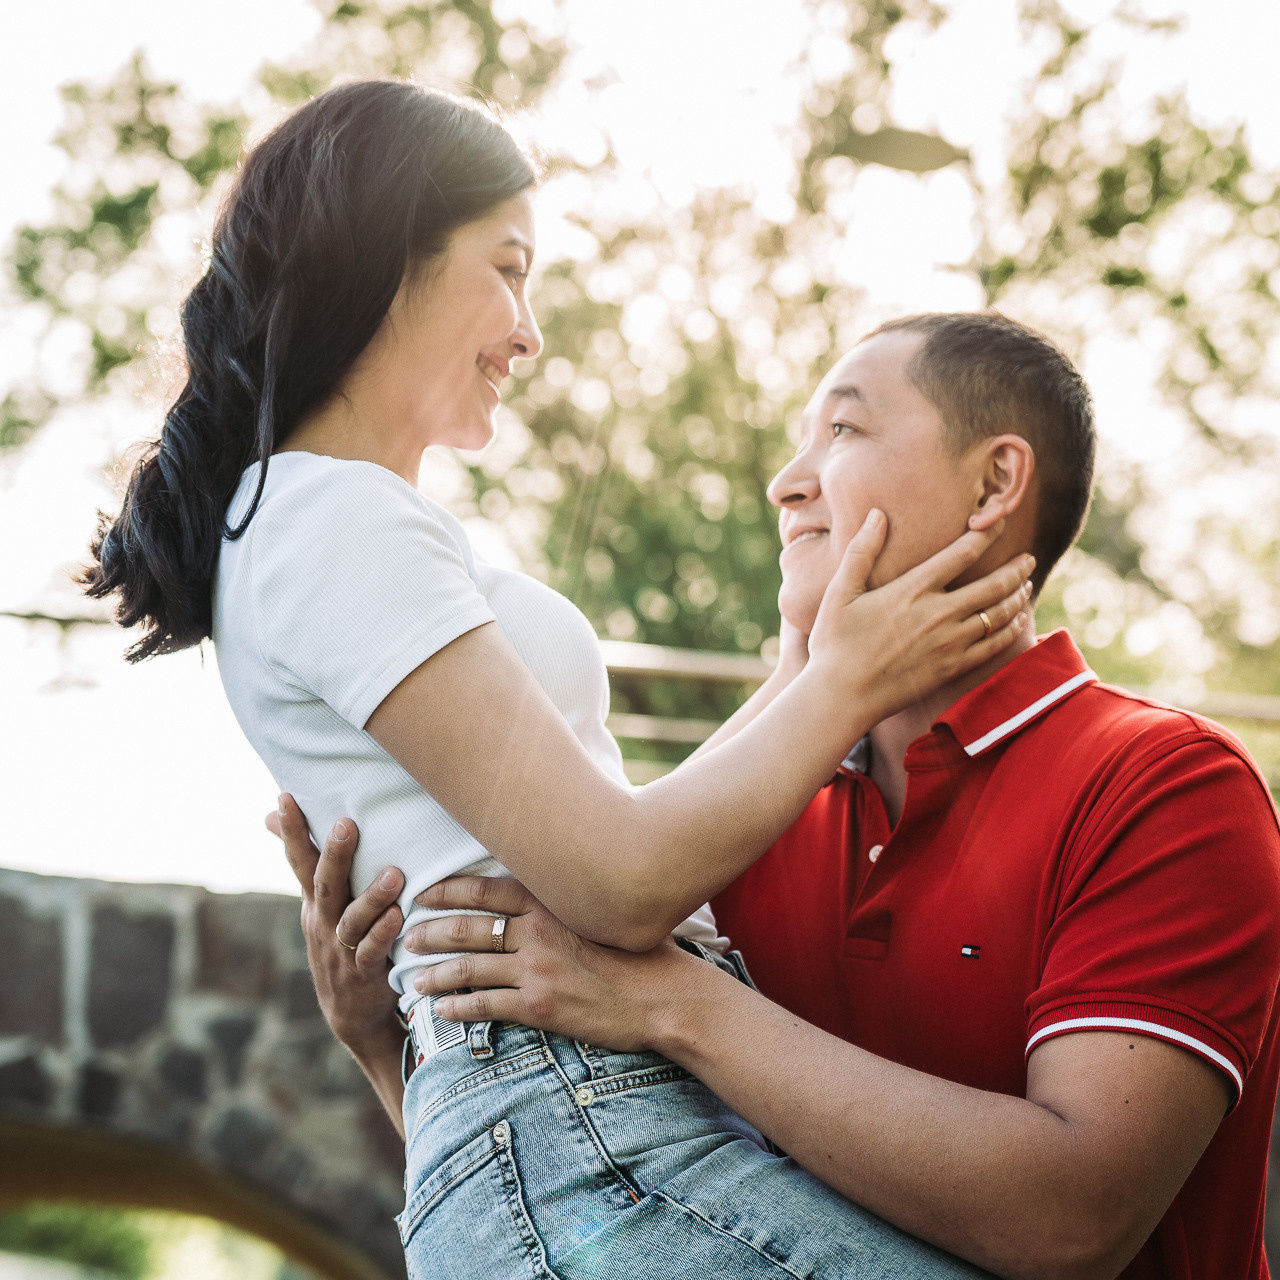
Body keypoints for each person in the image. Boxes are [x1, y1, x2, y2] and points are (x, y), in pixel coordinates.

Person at [82, 81, 1035, 1279]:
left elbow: (600, 831)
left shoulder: (331, 520)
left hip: (594, 1111)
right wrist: (838, 689)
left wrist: (803, 668)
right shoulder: (326, 517)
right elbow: (620, 881)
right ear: (389, 257)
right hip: (583, 1124)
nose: (529, 332)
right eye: (507, 267)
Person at [304, 312, 1280, 1280]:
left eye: (843, 430)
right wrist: (390, 1051)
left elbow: (1070, 1221)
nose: (785, 483)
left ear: (993, 484)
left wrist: (677, 1002)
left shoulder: (1164, 783)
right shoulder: (727, 821)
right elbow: (614, 1192)